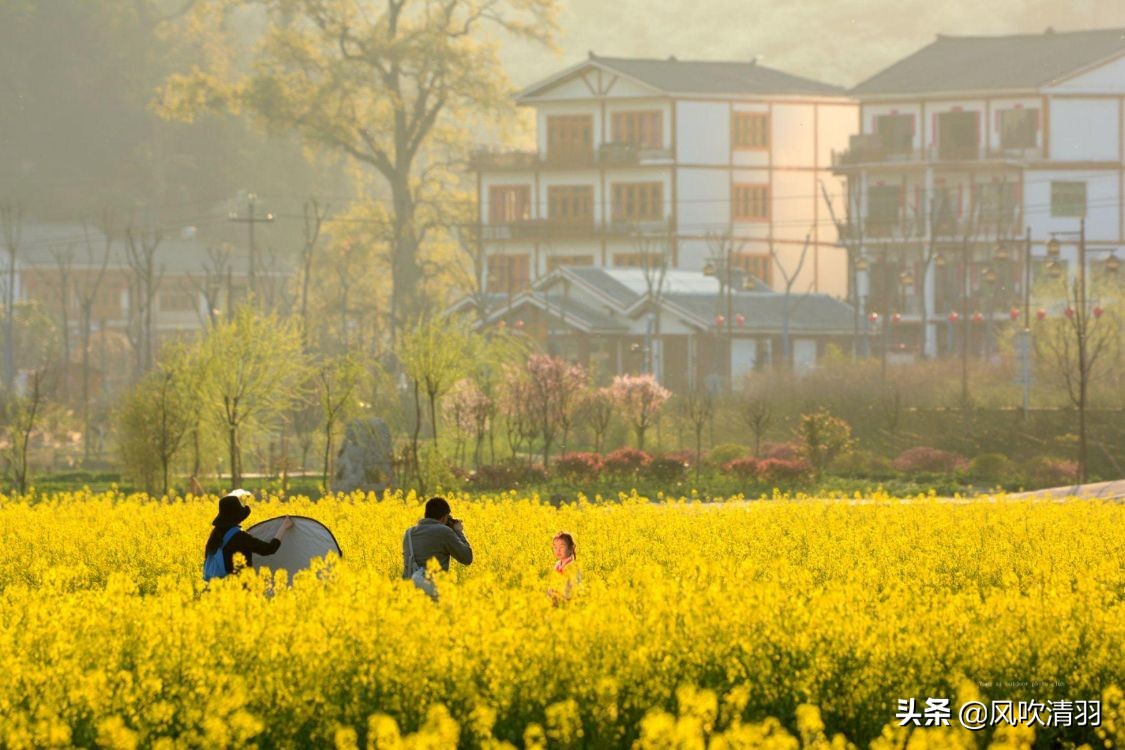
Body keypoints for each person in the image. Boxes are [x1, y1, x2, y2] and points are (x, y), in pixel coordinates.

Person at [203, 489, 293, 581]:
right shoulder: (240, 537)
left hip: (218, 589)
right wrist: (284, 527)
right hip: (240, 589)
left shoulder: (214, 536)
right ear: (237, 516)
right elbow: (269, 549)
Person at [402, 497, 473, 598]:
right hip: (434, 594)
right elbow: (467, 558)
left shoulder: (408, 533)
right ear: (444, 517)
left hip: (410, 595)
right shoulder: (444, 532)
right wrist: (458, 531)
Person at [547, 531, 581, 604]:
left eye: (562, 547)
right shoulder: (557, 565)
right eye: (555, 547)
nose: (558, 550)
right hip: (555, 601)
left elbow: (574, 589)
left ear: (571, 548)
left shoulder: (573, 566)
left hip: (568, 603)